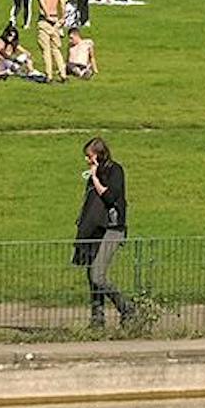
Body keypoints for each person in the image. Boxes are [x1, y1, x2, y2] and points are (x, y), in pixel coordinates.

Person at [72, 137, 133, 329]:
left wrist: (96, 178)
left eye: (89, 156)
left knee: (98, 275)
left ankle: (127, 309)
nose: (87, 160)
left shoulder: (115, 171)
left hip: (112, 229)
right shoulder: (93, 173)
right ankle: (97, 319)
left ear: (99, 155)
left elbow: (109, 197)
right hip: (94, 230)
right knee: (91, 275)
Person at [34, 0, 68, 82]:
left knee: (46, 49)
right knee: (56, 49)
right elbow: (62, 2)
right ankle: (63, 74)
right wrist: (63, 17)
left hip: (45, 20)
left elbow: (41, 0)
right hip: (56, 20)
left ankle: (49, 75)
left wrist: (47, 14)